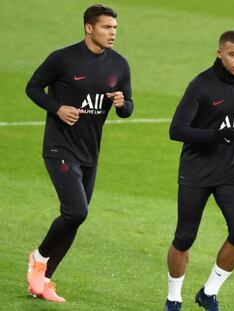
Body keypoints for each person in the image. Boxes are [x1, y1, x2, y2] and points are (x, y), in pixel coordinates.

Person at [25, 4, 133, 302]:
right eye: (106, 27)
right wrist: (56, 108)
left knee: (75, 218)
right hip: (59, 147)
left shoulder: (119, 65)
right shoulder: (63, 58)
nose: (112, 33)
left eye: (114, 28)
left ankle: (43, 280)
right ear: (89, 28)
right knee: (77, 211)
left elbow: (128, 108)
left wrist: (123, 104)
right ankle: (38, 257)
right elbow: (33, 87)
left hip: (90, 153)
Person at [164, 30, 234, 311]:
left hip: (232, 171)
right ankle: (173, 298)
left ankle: (209, 292)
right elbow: (177, 130)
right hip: (197, 171)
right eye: (233, 54)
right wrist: (216, 136)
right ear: (219, 53)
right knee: (185, 238)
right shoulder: (201, 86)